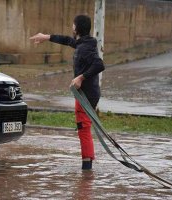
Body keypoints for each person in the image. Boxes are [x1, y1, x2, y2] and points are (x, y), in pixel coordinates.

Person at [30, 15, 105, 170]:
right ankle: (87, 163)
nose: (71, 28)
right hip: (83, 94)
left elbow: (99, 64)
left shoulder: (85, 48)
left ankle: (87, 167)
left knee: (83, 127)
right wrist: (47, 37)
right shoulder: (82, 43)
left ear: (76, 28)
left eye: (72, 25)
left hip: (86, 95)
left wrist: (81, 77)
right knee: (83, 127)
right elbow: (66, 40)